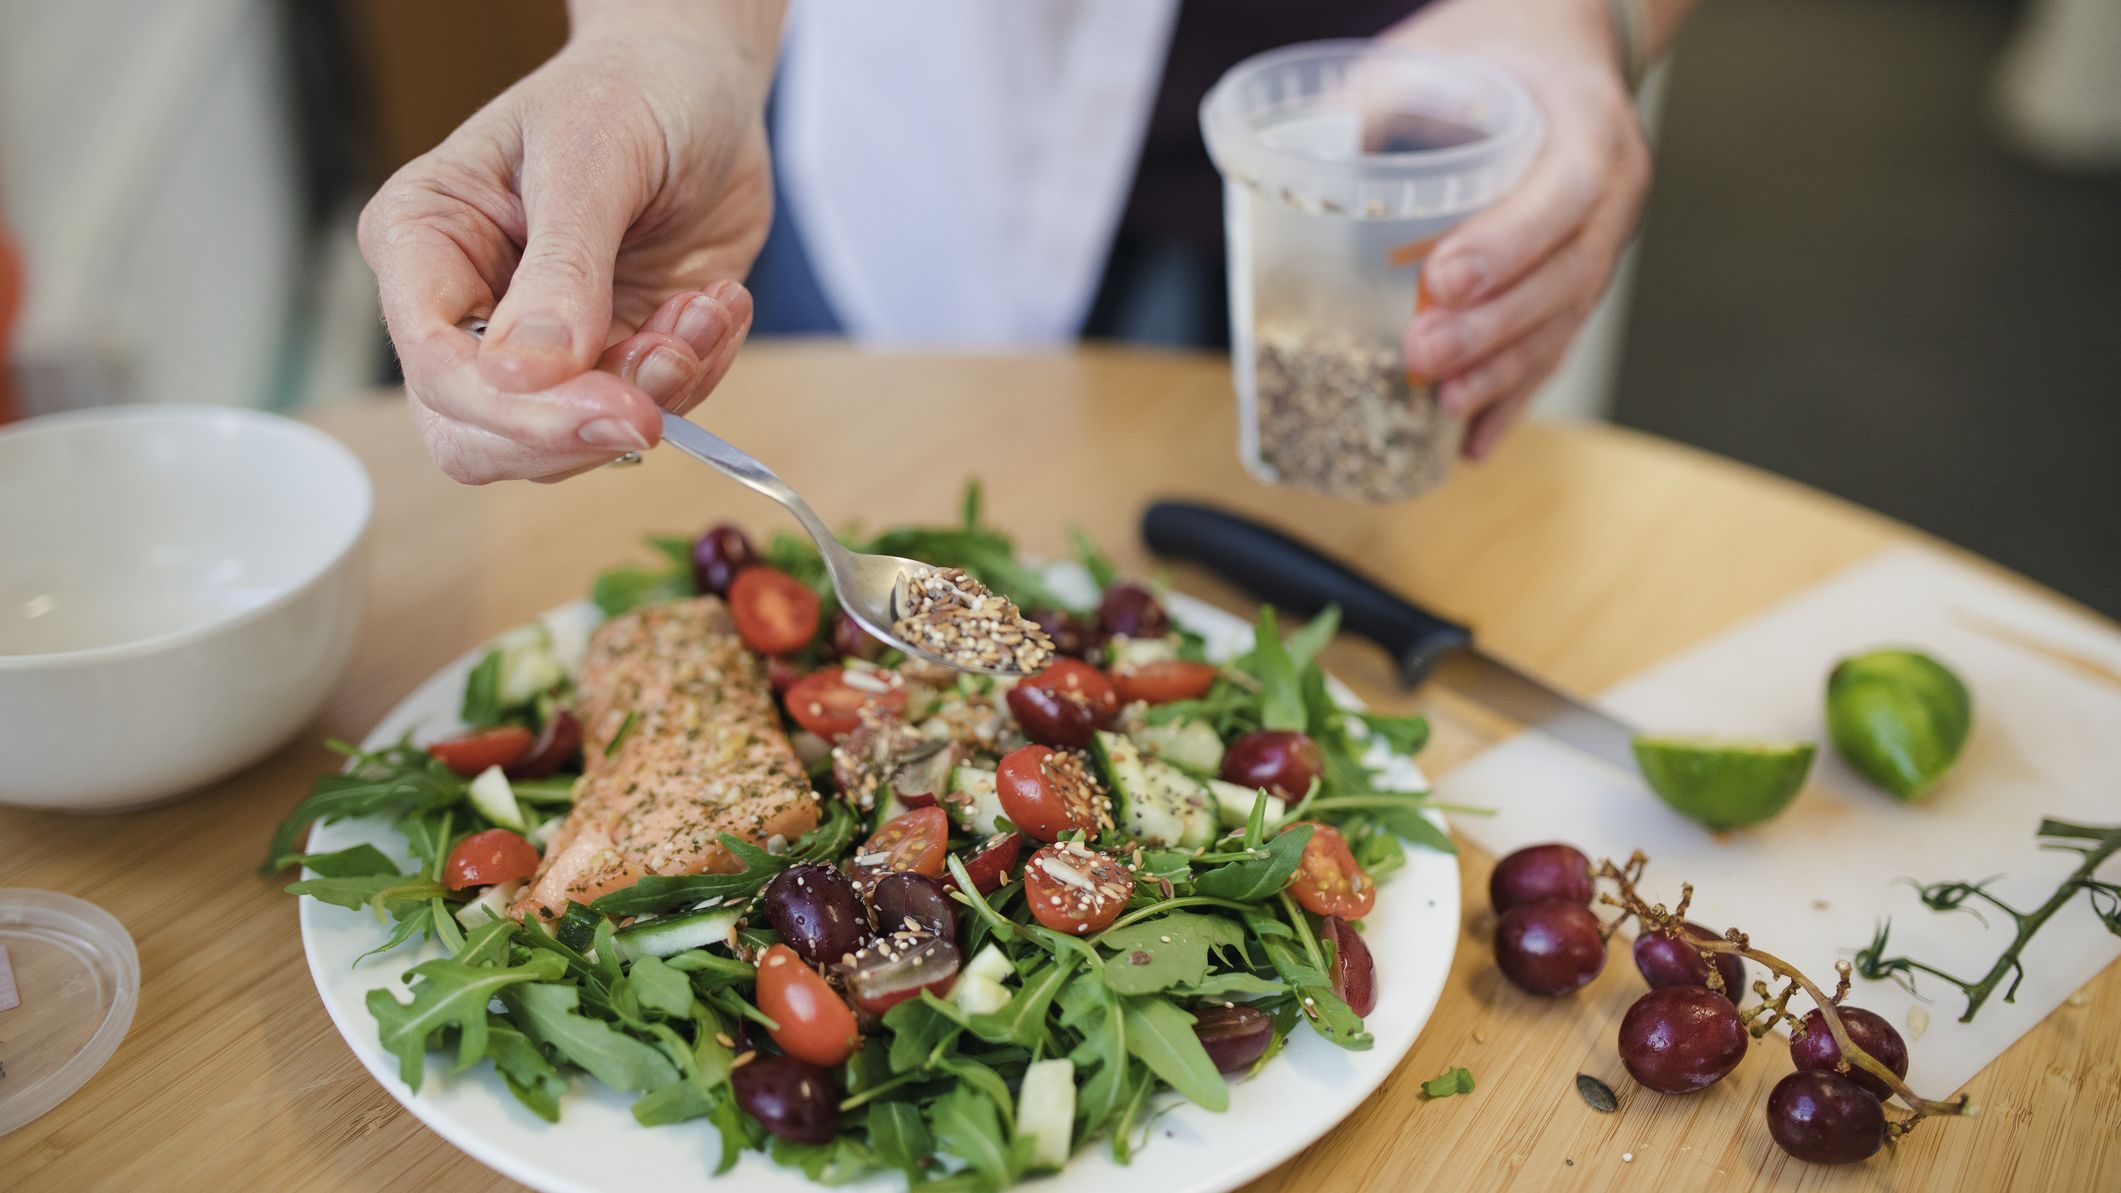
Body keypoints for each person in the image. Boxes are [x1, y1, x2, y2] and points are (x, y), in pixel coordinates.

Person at [360, 0, 1695, 485]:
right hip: (919, 143)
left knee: (1327, 621)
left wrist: (1587, 15)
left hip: (1386, 147)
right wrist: (667, 35)